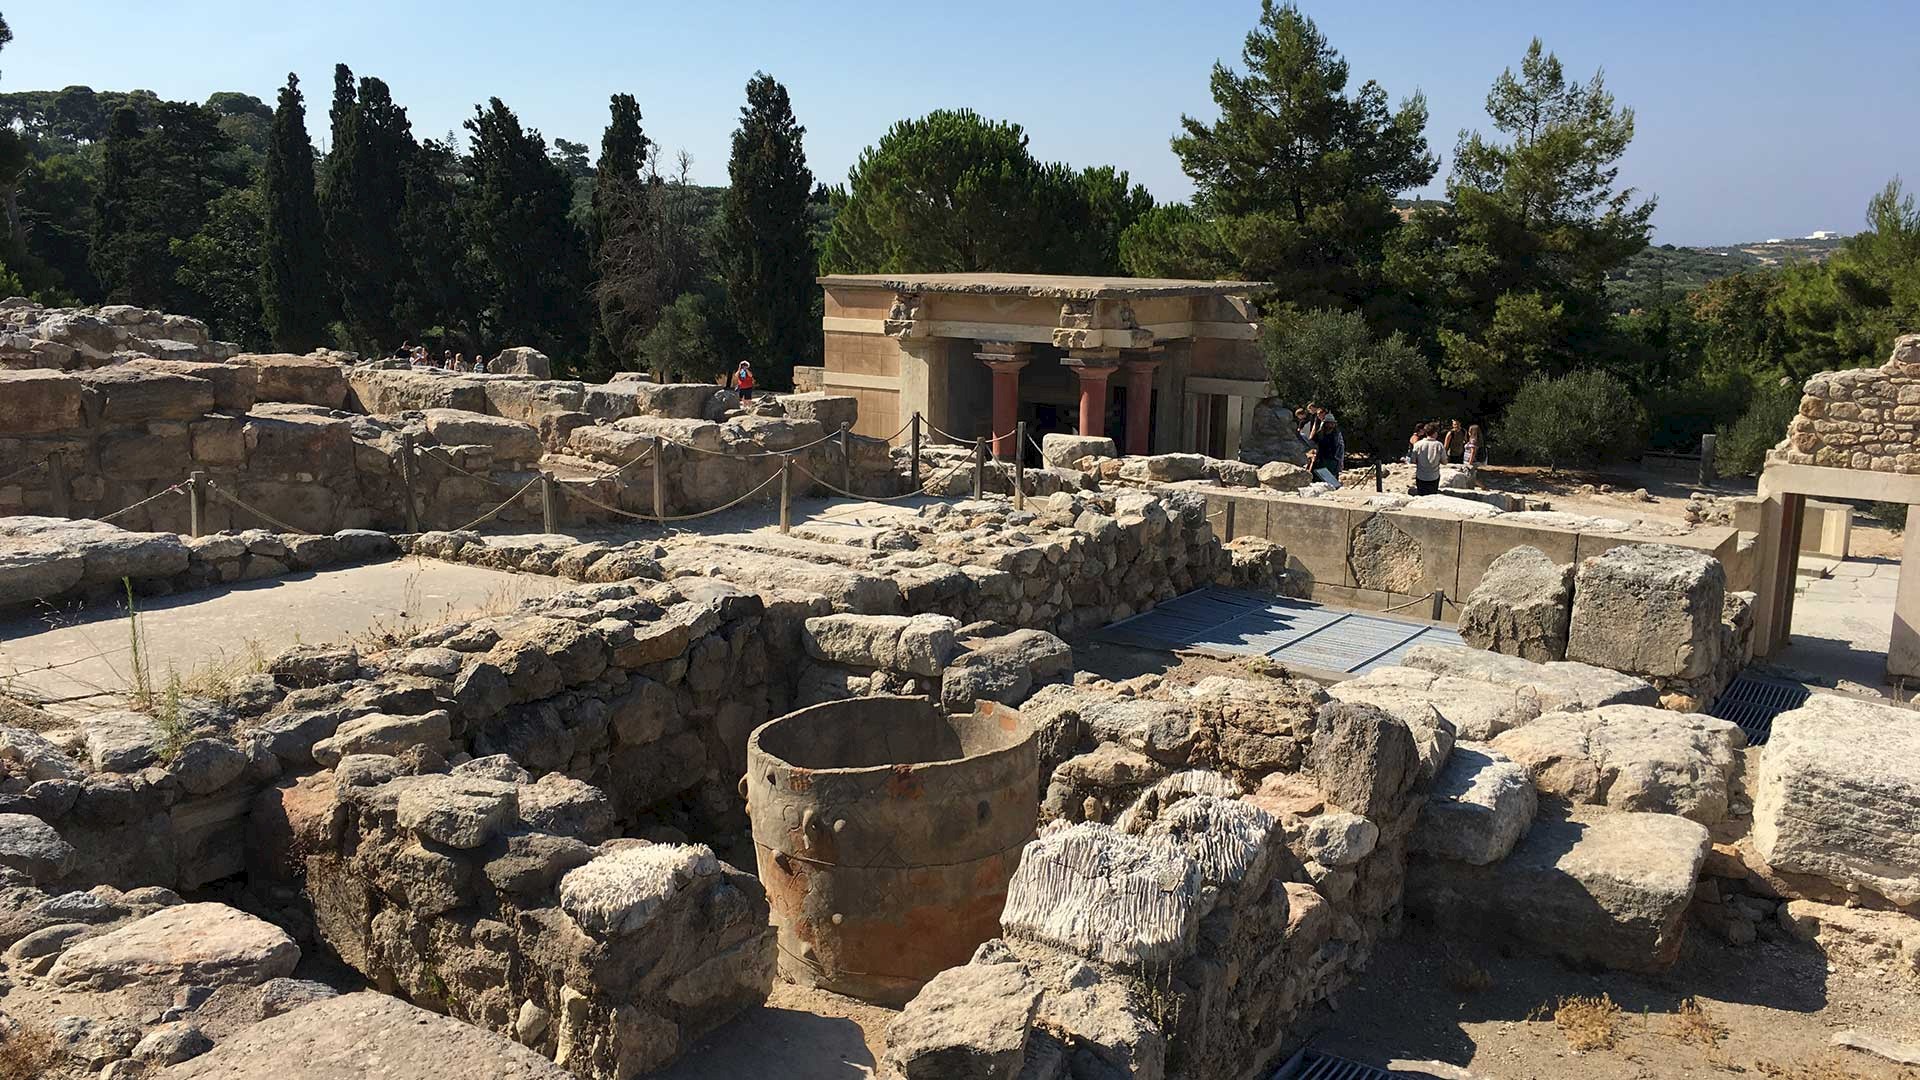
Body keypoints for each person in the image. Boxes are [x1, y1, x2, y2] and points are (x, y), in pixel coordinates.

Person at [1411, 422, 1447, 495]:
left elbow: (1413, 461)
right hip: (1434, 476)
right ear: (1435, 433)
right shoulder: (1439, 445)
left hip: (1421, 476)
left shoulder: (1418, 444)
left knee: (1421, 496)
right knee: (1432, 496)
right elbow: (1444, 462)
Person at [1308, 416, 1343, 488]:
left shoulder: (1336, 435)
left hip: (1333, 459)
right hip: (1320, 459)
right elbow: (1312, 443)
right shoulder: (1320, 434)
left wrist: (1340, 460)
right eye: (1328, 423)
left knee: (1331, 479)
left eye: (1332, 423)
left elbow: (1340, 447)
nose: (1330, 425)